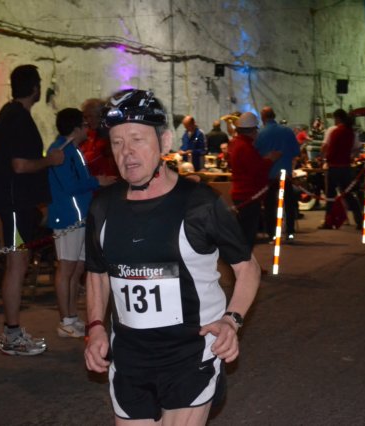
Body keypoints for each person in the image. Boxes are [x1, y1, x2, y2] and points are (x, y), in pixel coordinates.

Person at [84, 89, 261, 425]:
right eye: (117, 143)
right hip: (130, 358)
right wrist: (94, 327)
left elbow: (247, 268)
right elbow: (97, 274)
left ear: (164, 142)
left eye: (137, 139)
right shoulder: (102, 206)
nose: (126, 152)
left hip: (190, 355)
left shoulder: (200, 203)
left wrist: (231, 320)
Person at [0, 64, 64, 355]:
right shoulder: (18, 117)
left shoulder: (10, 114)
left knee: (18, 262)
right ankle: (12, 334)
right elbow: (19, 165)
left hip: (16, 202)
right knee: (17, 265)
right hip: (15, 204)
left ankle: (13, 331)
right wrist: (50, 160)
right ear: (34, 87)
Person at [47, 108, 116, 338]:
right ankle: (65, 320)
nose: (88, 128)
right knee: (66, 268)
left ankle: (71, 316)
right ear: (76, 128)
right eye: (84, 124)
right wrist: (97, 181)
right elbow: (69, 185)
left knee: (76, 268)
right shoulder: (60, 150)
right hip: (68, 217)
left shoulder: (73, 149)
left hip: (80, 216)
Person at [228, 112, 281, 249]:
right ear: (252, 131)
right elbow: (256, 170)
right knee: (248, 236)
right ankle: (244, 261)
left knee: (244, 233)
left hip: (242, 194)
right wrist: (270, 160)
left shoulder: (237, 144)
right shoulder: (245, 147)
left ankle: (245, 260)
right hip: (248, 195)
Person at [255, 106, 301, 242]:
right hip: (285, 175)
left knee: (270, 206)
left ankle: (272, 235)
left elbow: (256, 155)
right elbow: (296, 152)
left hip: (268, 176)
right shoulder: (287, 131)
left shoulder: (260, 134)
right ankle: (290, 233)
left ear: (263, 118)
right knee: (289, 204)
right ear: (274, 116)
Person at [319, 109, 362, 229]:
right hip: (346, 167)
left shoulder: (334, 131)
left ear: (337, 118)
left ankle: (329, 221)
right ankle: (359, 219)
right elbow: (357, 148)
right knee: (348, 194)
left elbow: (330, 148)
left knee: (330, 196)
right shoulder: (351, 132)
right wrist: (351, 157)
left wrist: (324, 159)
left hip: (334, 167)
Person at [79, 98, 120, 178]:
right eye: (86, 117)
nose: (88, 121)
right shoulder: (88, 133)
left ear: (100, 115)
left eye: (91, 116)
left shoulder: (113, 133)